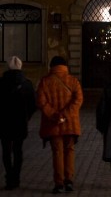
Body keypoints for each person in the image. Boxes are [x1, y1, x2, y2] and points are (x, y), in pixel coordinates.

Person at [36, 56, 83, 194]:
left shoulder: (45, 82)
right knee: (69, 151)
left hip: (53, 124)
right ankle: (69, 180)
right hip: (70, 123)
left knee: (57, 153)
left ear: (51, 66)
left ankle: (59, 183)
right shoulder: (73, 81)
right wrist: (65, 115)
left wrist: (55, 116)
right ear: (64, 66)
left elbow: (41, 103)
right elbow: (78, 100)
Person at [0, 56, 36, 190]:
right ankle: (16, 177)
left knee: (6, 151)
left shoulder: (1, 82)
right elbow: (33, 104)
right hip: (20, 122)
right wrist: (26, 117)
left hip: (4, 122)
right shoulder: (27, 83)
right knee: (18, 151)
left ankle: (9, 177)